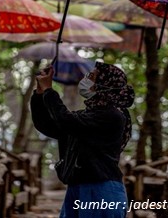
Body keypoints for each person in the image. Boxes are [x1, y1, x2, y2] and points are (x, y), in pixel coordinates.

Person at [31, 61, 134, 218]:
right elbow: (47, 125)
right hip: (78, 186)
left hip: (101, 189)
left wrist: (49, 91)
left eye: (91, 77)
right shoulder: (87, 116)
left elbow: (65, 120)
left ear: (103, 84)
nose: (85, 79)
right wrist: (39, 93)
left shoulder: (112, 116)